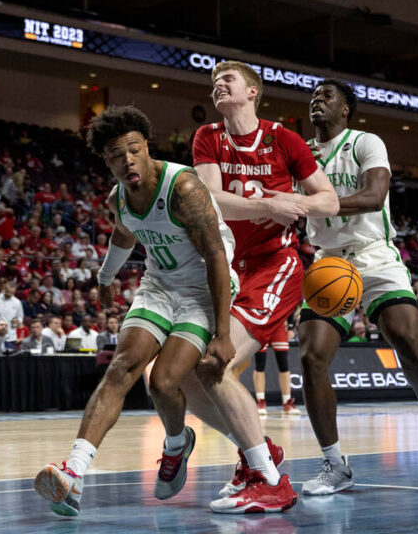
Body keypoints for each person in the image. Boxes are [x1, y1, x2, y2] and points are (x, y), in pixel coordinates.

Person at [34, 105, 296, 516]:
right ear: (106, 160)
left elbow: (214, 257)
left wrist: (224, 334)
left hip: (203, 289)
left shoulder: (184, 188)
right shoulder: (119, 197)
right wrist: (105, 279)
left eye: (134, 150)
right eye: (116, 156)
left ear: (146, 146)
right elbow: (124, 232)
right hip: (158, 286)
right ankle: (74, 472)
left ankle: (180, 446)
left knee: (164, 381)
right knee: (122, 367)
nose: (127, 161)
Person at [295, 79, 418, 495]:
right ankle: (335, 465)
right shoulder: (301, 154)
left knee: (405, 335)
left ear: (347, 109)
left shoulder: (365, 142)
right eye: (313, 95)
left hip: (373, 253)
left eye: (327, 95)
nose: (317, 100)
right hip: (329, 261)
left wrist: (316, 203)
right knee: (312, 357)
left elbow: (374, 195)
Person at [188, 61, 338, 508]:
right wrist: (270, 204)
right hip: (228, 270)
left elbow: (328, 199)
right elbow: (209, 198)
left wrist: (296, 203)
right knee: (184, 378)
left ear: (252, 92)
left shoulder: (284, 139)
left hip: (275, 264)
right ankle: (258, 454)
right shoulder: (208, 136)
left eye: (228, 80)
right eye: (214, 81)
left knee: (214, 364)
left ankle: (271, 482)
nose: (218, 85)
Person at [252, 337, 300, 416]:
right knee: (260, 363)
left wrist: (291, 326)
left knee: (283, 364)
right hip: (261, 327)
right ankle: (260, 401)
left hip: (278, 327)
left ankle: (287, 402)